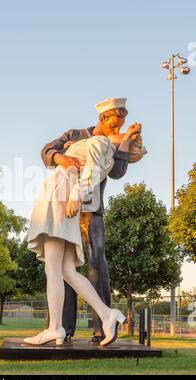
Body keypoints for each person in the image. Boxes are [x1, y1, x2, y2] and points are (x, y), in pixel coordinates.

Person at [25, 107, 146, 346]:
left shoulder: (103, 145)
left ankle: (55, 328)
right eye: (117, 126)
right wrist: (63, 160)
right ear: (103, 118)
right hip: (69, 199)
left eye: (122, 131)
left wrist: (75, 196)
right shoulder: (86, 139)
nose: (120, 131)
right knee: (67, 270)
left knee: (56, 268)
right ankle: (106, 314)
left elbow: (93, 172)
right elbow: (50, 151)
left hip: (63, 197)